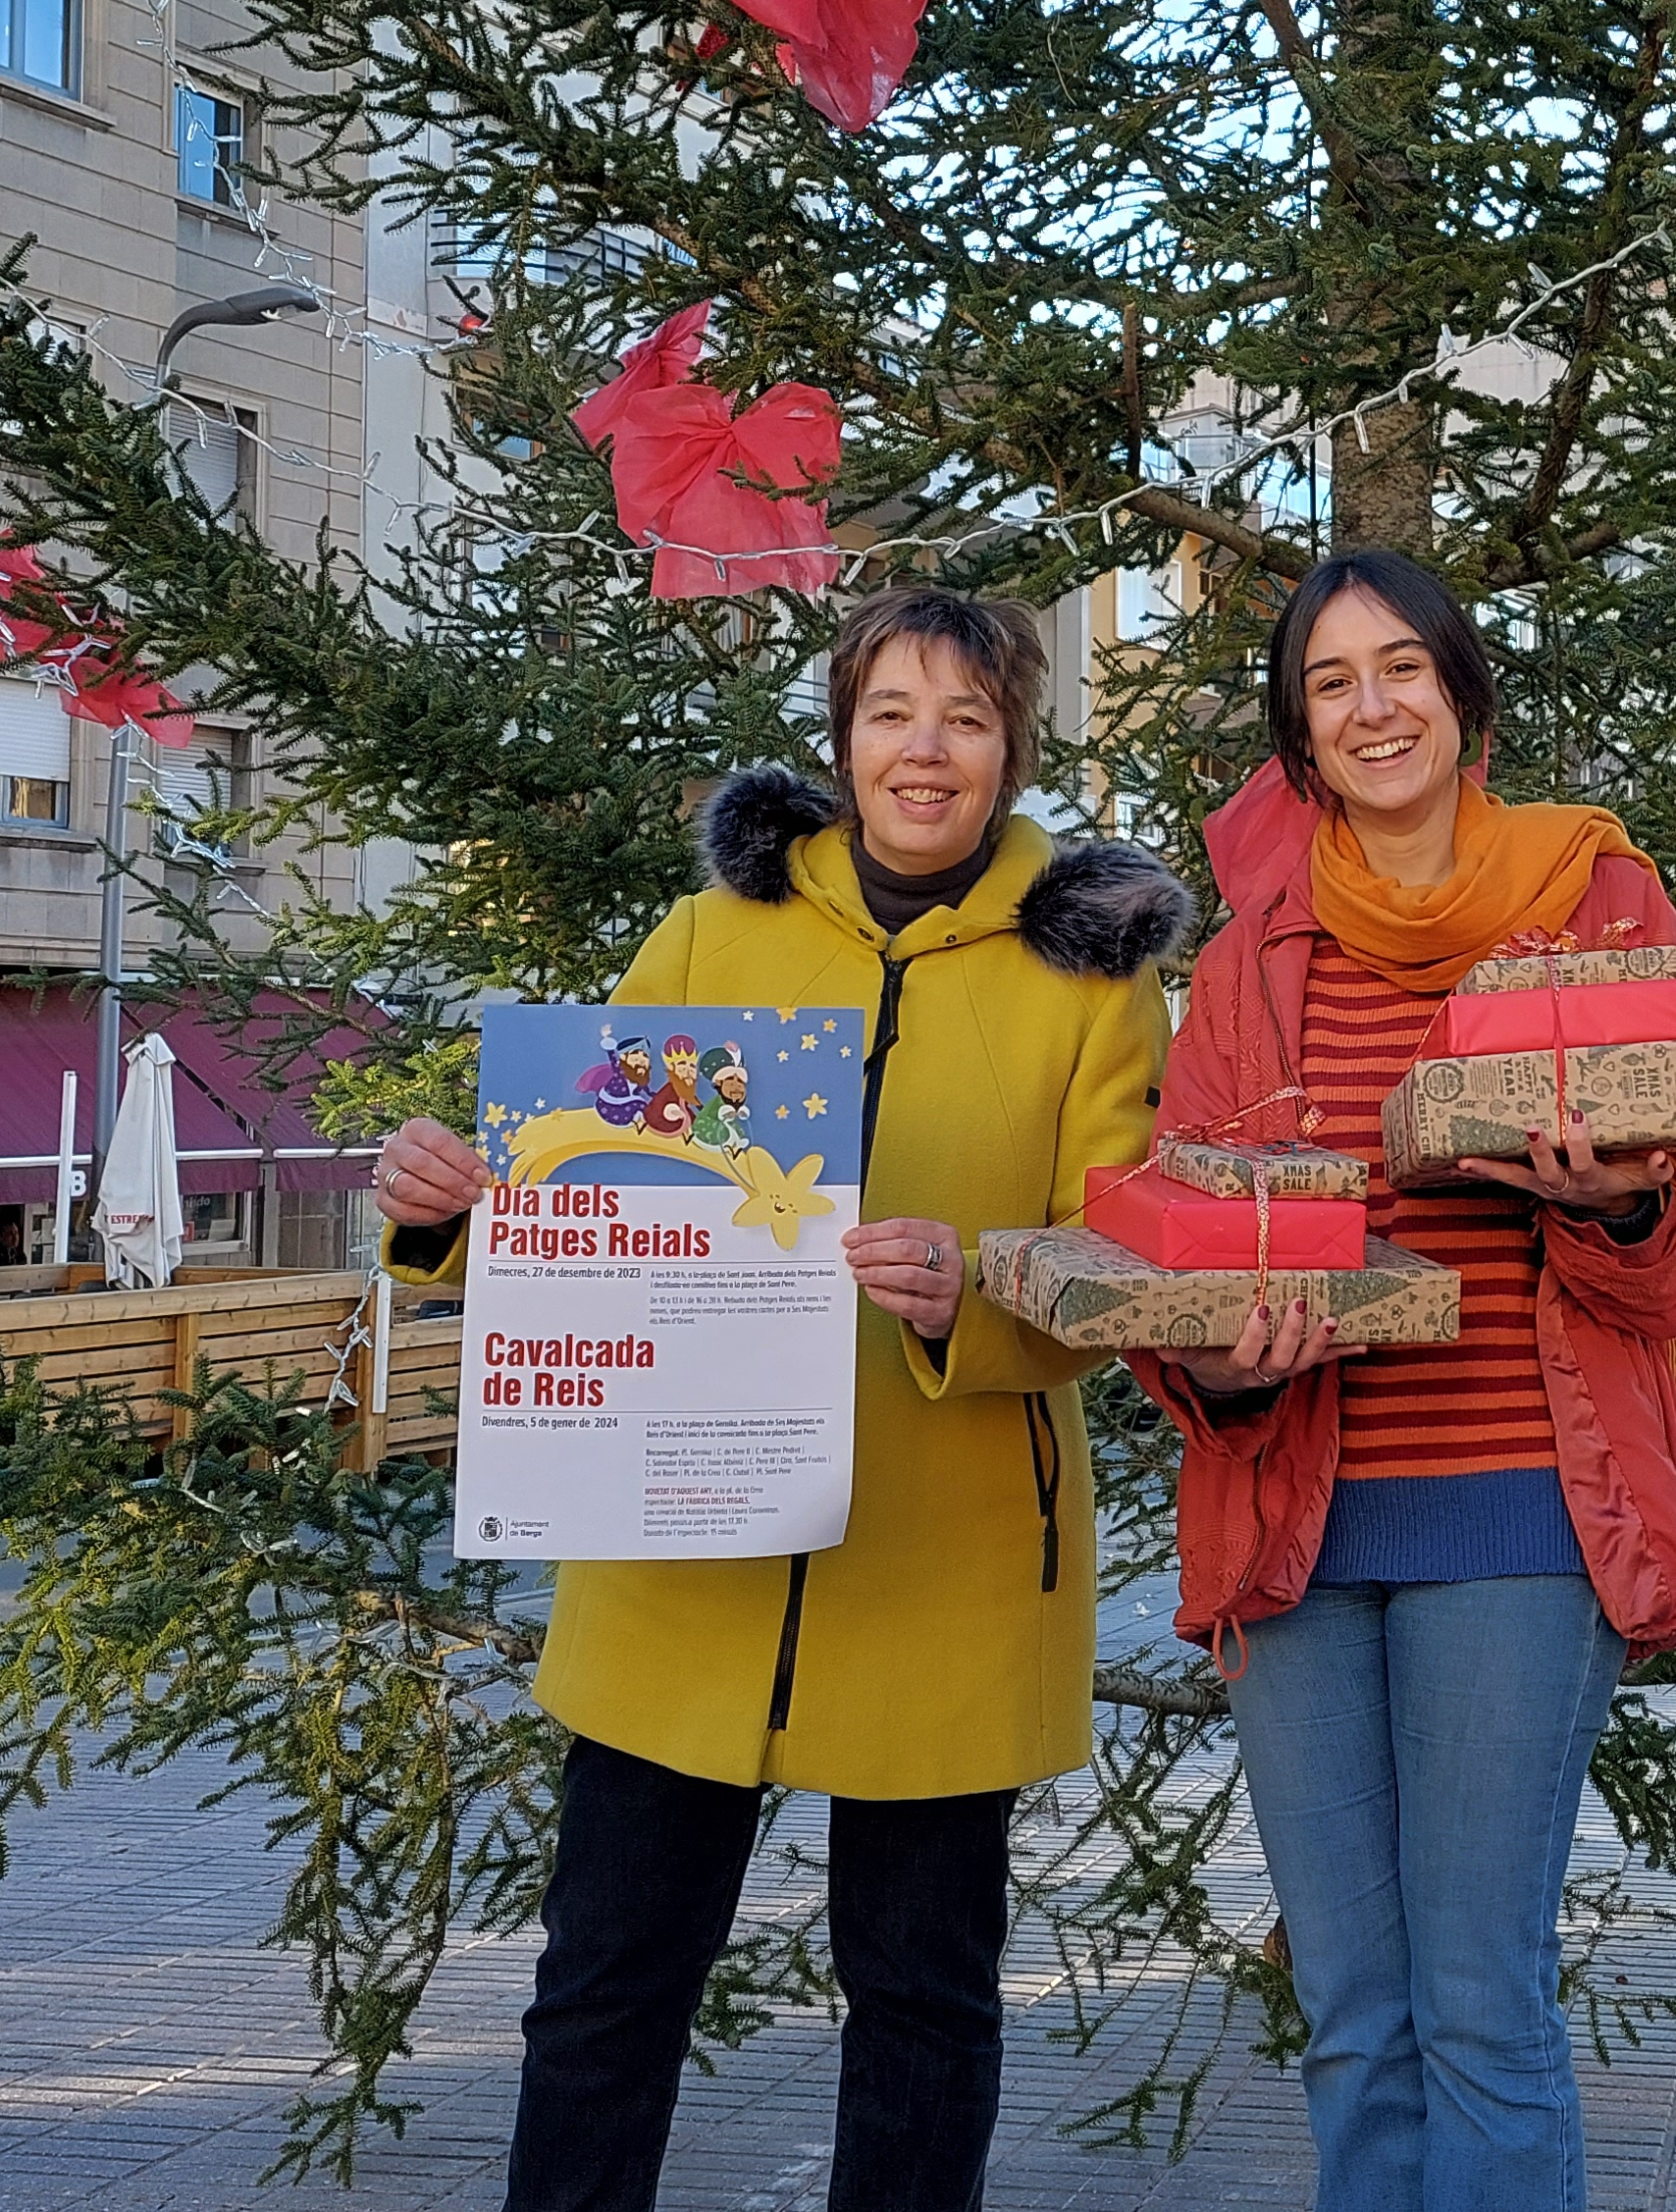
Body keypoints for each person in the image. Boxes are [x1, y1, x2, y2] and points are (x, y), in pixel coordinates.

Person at [369, 587, 1194, 2212]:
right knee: (602, 1999)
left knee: (924, 2010)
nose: (926, 749)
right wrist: (448, 1206)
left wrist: (983, 1287)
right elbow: (586, 1190)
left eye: (966, 718)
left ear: (1014, 749)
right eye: (892, 712)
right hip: (685, 1555)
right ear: (842, 739)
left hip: (946, 1564)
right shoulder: (709, 937)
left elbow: (1124, 1263)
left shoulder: (1093, 977)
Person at [1127, 548, 1676, 2212]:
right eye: (1333, 682)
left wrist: (1616, 1198)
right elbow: (1177, 1242)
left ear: (1463, 694)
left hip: (1518, 1521)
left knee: (1481, 2008)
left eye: (1403, 668)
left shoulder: (1597, 899)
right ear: (1300, 733)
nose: (1374, 707)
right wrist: (1241, 1366)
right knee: (1354, 2016)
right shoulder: (1246, 962)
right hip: (1302, 1530)